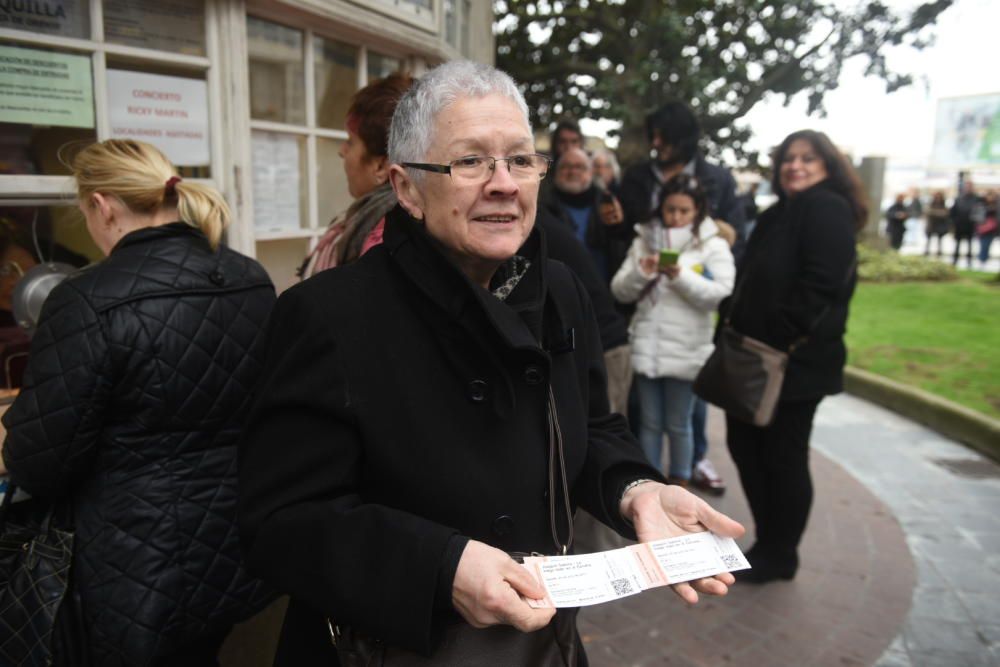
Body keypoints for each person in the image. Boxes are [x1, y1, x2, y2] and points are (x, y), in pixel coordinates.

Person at [238, 60, 743, 665]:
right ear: (406, 188)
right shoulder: (327, 315)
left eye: (521, 160)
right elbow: (280, 525)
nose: (504, 183)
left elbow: (593, 426)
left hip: (541, 645)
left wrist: (635, 491)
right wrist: (442, 565)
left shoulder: (558, 288)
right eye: (471, 161)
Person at [1, 139, 275, 665]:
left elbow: (39, 462)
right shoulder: (249, 278)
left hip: (136, 562)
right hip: (237, 540)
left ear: (102, 205)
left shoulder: (86, 299)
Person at [722, 129, 864, 584]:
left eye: (808, 158)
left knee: (782, 457)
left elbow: (823, 285)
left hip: (795, 364)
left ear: (828, 166)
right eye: (789, 158)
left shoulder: (827, 208)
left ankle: (780, 553)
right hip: (754, 358)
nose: (795, 166)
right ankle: (768, 540)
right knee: (746, 446)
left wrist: (779, 336)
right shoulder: (779, 212)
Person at [611, 174, 735, 485]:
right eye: (670, 209)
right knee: (650, 424)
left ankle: (680, 484)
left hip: (687, 350)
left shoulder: (712, 246)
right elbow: (620, 291)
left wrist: (680, 277)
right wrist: (643, 273)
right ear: (660, 208)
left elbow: (719, 293)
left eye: (684, 211)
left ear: (698, 212)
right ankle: (653, 486)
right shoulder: (644, 240)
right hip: (648, 347)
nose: (676, 217)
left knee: (679, 424)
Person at [299, 73, 414, 278]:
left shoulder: (384, 237)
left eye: (351, 142)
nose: (342, 151)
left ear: (381, 166)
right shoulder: (369, 221)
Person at [616, 101, 746, 275]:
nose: (656, 143)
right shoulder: (636, 177)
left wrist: (712, 280)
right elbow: (620, 234)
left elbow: (736, 238)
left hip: (698, 287)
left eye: (664, 137)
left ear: (685, 138)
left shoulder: (720, 180)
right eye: (653, 136)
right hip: (643, 281)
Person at [950, 179, 983, 267]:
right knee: (957, 244)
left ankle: (969, 262)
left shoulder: (977, 199)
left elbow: (980, 211)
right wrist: (954, 222)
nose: (968, 188)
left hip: (970, 225)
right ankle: (954, 261)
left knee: (970, 244)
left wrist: (976, 221)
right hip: (959, 225)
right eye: (967, 186)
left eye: (970, 186)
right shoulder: (959, 198)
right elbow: (953, 212)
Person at [924, 191, 950, 257]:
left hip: (940, 226)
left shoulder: (943, 204)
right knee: (929, 240)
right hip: (931, 225)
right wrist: (938, 213)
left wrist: (934, 212)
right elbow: (927, 212)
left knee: (939, 241)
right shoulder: (931, 204)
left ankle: (939, 253)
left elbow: (945, 213)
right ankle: (926, 253)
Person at [977, 189, 998, 265]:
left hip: (992, 229)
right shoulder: (982, 204)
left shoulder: (996, 205)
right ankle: (982, 260)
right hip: (982, 229)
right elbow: (978, 216)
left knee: (987, 245)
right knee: (983, 245)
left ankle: (983, 260)